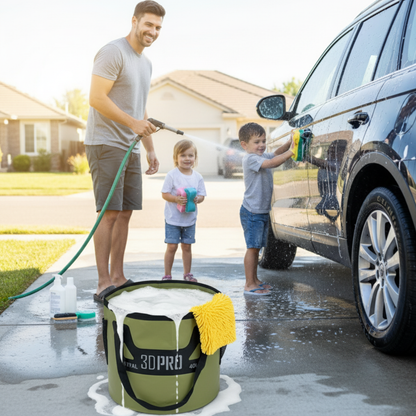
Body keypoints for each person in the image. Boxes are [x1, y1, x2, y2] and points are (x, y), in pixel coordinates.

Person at [84, 1, 166, 303]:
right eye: (148, 25)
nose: (153, 32)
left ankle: (118, 276)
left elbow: (138, 106)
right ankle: (103, 282)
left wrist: (149, 147)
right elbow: (96, 98)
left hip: (129, 146)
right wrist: (133, 123)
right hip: (105, 143)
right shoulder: (113, 52)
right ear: (134, 21)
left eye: (158, 28)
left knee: (126, 212)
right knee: (109, 214)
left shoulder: (145, 63)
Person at [239, 123, 294, 296]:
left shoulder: (260, 155)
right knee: (253, 248)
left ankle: (255, 280)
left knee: (257, 248)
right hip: (252, 212)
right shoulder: (251, 159)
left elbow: (275, 153)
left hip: (261, 212)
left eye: (263, 141)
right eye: (257, 142)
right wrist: (292, 151)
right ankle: (249, 284)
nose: (261, 145)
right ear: (244, 145)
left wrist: (290, 142)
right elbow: (272, 162)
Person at [161, 139, 207, 282]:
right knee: (172, 246)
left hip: (189, 220)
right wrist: (175, 199)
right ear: (176, 158)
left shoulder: (197, 177)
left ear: (195, 158)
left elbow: (202, 195)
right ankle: (167, 275)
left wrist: (197, 199)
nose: (187, 159)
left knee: (187, 247)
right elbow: (164, 193)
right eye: (183, 155)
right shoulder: (172, 175)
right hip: (173, 219)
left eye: (190, 155)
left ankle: (187, 274)